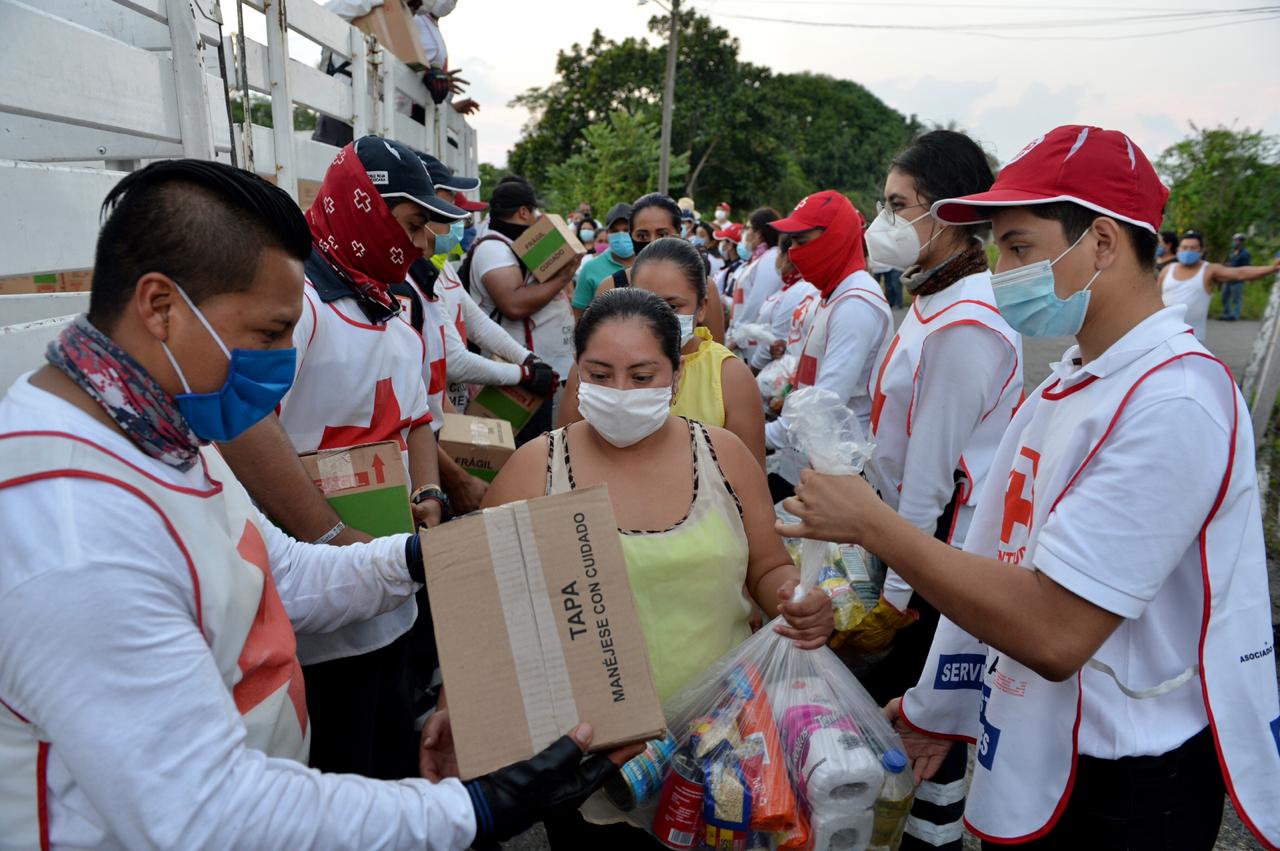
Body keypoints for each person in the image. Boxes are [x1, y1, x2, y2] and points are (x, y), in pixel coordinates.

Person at [0, 158, 637, 850]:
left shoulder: (161, 431)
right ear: (160, 308)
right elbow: (208, 814)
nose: (282, 358)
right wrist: (473, 808)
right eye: (270, 334)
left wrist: (429, 555)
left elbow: (284, 575)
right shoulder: (70, 528)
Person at [779, 125, 1280, 849]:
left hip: (1131, 774)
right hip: (1050, 736)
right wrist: (937, 706)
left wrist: (871, 524)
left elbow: (1054, 629)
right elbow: (998, 551)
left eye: (1019, 248)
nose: (1001, 268)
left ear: (1102, 243)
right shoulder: (1074, 382)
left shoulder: (1173, 400)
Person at [476, 286, 834, 849]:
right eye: (599, 373)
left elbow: (766, 568)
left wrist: (795, 597)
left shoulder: (724, 457)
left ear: (675, 372)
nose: (620, 392)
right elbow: (479, 603)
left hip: (722, 750)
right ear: (576, 374)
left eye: (642, 376)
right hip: (587, 762)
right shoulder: (535, 469)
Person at [215, 137, 461, 780]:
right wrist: (331, 537)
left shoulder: (388, 305)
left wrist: (430, 498)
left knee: (389, 760)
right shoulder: (300, 309)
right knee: (337, 776)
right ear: (365, 209)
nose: (419, 246)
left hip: (390, 596)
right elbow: (243, 424)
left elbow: (415, 424)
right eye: (410, 227)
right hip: (317, 617)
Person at [858, 129, 1023, 851]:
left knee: (923, 734)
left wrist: (894, 600)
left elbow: (929, 483)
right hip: (907, 546)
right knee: (918, 733)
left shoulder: (966, 326)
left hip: (930, 563)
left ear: (949, 213)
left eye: (898, 206)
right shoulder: (933, 300)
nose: (883, 222)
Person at [558, 238, 767, 466]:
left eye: (672, 306)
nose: (656, 318)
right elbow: (562, 458)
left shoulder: (729, 376)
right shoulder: (594, 366)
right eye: (644, 301)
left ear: (702, 307)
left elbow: (747, 480)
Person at [764, 191, 894, 500]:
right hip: (811, 458)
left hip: (839, 471)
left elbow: (825, 402)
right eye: (790, 243)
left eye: (802, 241)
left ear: (835, 237)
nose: (794, 253)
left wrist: (763, 435)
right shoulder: (833, 295)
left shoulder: (855, 305)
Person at [463, 175, 580, 442]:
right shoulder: (493, 248)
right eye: (534, 212)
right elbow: (513, 304)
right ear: (523, 211)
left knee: (541, 443)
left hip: (537, 371)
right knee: (518, 449)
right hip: (515, 374)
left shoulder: (512, 246)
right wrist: (563, 277)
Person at [596, 193, 727, 344]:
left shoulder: (705, 286)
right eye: (642, 236)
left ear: (679, 234)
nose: (652, 242)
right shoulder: (610, 287)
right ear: (631, 237)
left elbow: (717, 352)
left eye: (662, 234)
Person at [1158, 229, 1279, 340]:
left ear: (1201, 251)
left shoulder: (1209, 270)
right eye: (1185, 247)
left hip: (1193, 340)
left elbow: (1240, 273)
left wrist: (1273, 268)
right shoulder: (1167, 270)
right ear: (1179, 249)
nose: (1188, 251)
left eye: (1193, 248)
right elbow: (1154, 298)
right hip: (1163, 336)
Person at [748, 235, 819, 373]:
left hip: (767, 374)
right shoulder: (788, 286)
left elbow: (776, 336)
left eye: (779, 253)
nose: (776, 258)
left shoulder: (799, 289)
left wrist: (751, 372)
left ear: (787, 256)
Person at [572, 202, 634, 319]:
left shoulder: (649, 264)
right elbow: (578, 316)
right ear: (607, 233)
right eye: (615, 230)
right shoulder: (590, 268)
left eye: (627, 229)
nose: (621, 235)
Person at [729, 206, 783, 331]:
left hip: (751, 338)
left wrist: (738, 332)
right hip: (744, 335)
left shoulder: (771, 257)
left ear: (759, 234)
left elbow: (758, 300)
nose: (743, 233)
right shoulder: (759, 259)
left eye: (747, 228)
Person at [1221, 232, 1252, 320]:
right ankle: (1226, 315)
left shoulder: (1245, 253)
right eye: (1234, 240)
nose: (1235, 242)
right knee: (1224, 297)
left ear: (1241, 242)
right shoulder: (1233, 252)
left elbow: (1246, 267)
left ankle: (1234, 316)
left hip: (1237, 280)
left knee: (1236, 299)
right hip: (1228, 278)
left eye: (1237, 240)